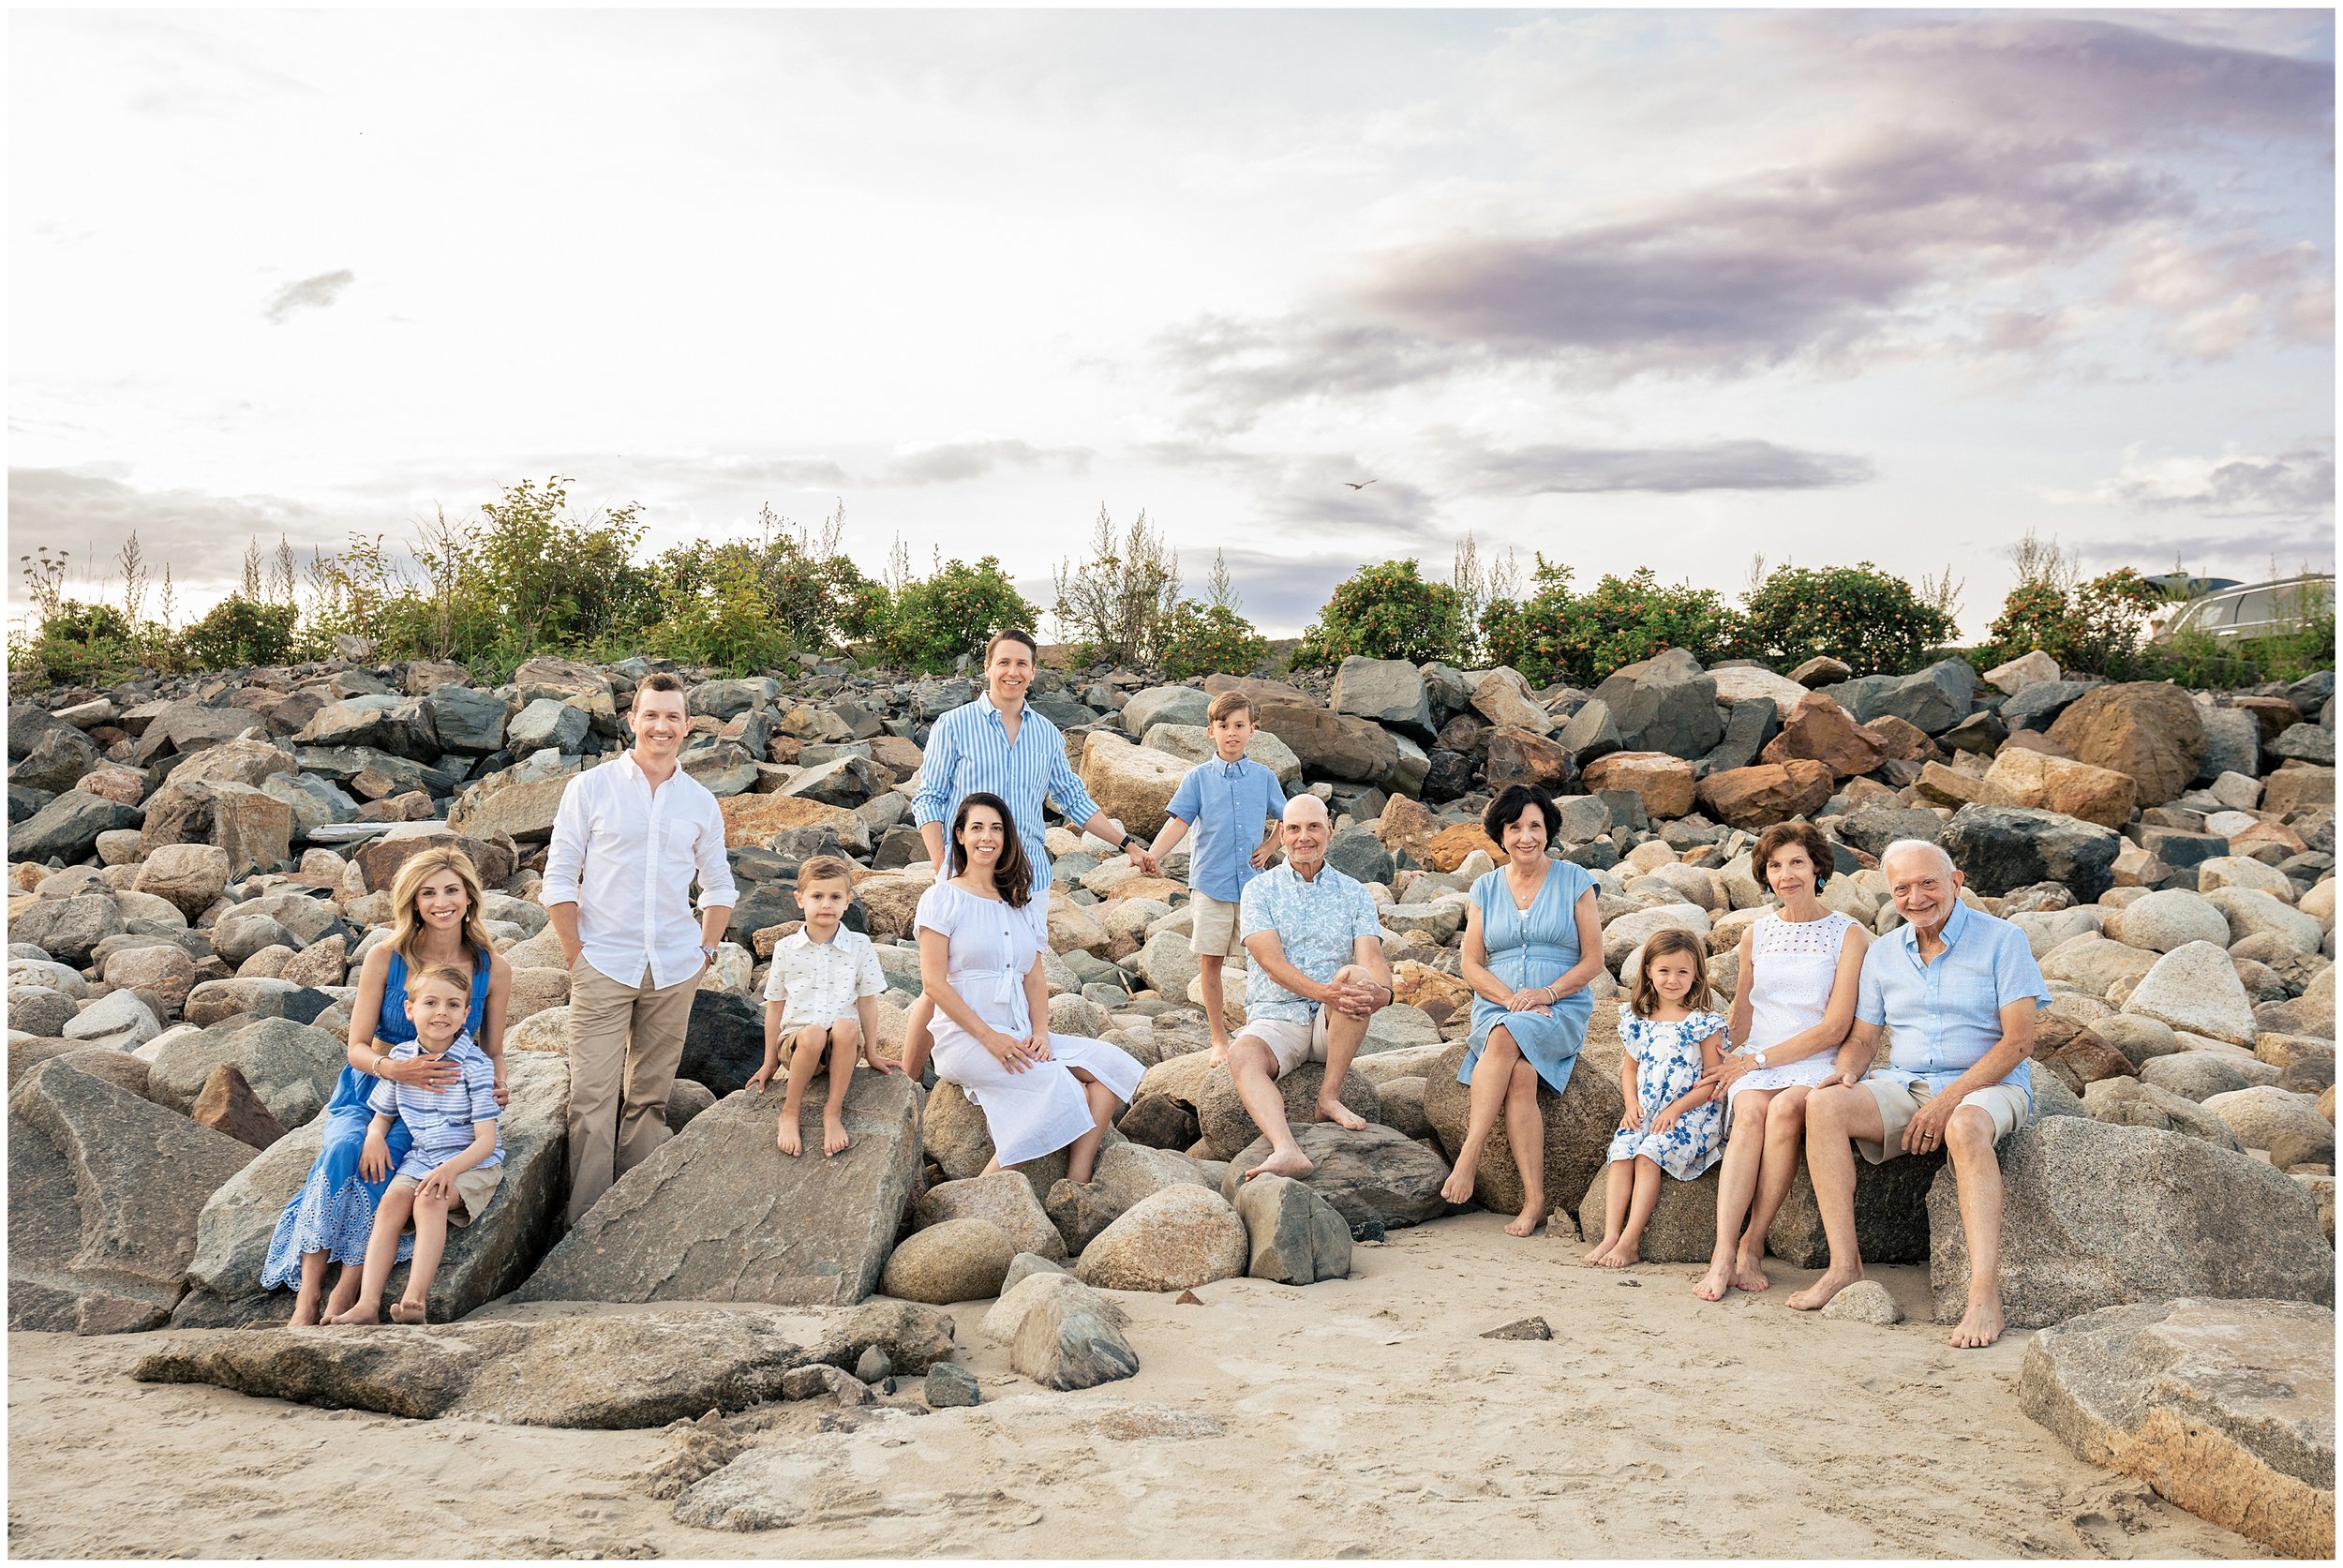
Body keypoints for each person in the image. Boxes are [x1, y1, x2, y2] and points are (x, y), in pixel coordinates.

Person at [1788, 839, 2050, 1348]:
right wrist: (1845, 1073)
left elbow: (2018, 1041)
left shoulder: (2004, 940)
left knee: (1965, 1125)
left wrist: (1946, 1102)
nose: (1916, 897)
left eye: (1928, 882)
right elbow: (1864, 1039)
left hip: (1988, 1083)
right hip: (1905, 1081)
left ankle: (1983, 1295)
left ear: (1956, 881)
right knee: (1823, 1104)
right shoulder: (1883, 953)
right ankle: (1845, 1267)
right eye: (1902, 888)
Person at [263, 846, 511, 1326]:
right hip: (374, 1084)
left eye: (452, 891)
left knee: (386, 1174)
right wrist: (392, 1070)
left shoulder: (492, 968)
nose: (442, 902)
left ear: (469, 898)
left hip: (438, 1098)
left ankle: (349, 1298)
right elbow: (355, 1046)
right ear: (413, 901)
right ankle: (308, 1297)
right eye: (428, 893)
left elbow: (493, 1048)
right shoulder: (385, 956)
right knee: (345, 1150)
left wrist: (497, 1083)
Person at [903, 629, 1157, 1071]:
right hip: (966, 872)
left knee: (1019, 970)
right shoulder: (954, 725)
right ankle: (907, 1081)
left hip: (1028, 877)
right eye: (1004, 662)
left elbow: (1073, 799)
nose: (1012, 672)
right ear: (988, 667)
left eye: (1022, 664)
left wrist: (1127, 844)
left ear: (1034, 672)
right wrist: (944, 865)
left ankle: (1018, 1063)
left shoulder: (1045, 735)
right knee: (941, 981)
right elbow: (928, 798)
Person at [543, 670, 737, 1226]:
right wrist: (575, 955)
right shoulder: (591, 789)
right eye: (651, 715)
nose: (661, 725)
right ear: (632, 721)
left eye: (672, 716)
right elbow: (559, 878)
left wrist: (705, 949)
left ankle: (632, 1219)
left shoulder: (700, 802)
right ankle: (583, 1225)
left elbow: (719, 885)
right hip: (602, 962)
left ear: (688, 726)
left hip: (675, 966)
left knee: (649, 1100)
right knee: (592, 1102)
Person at [901, 793, 1143, 1181]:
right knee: (1063, 1092)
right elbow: (933, 984)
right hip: (966, 1037)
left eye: (996, 829)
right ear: (959, 835)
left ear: (1007, 837)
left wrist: (1041, 1033)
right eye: (977, 828)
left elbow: (1033, 976)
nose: (987, 837)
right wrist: (990, 1039)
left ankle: (1076, 1183)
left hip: (1017, 1029)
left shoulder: (1018, 901)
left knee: (1108, 1066)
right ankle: (982, 1191)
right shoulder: (942, 897)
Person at [1693, 820, 1868, 1301]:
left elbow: (1835, 1027)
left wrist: (1756, 1062)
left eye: (1796, 862)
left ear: (1818, 867)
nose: (1786, 874)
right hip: (1758, 1054)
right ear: (1765, 873)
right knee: (1749, 1114)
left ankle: (1754, 1243)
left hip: (1818, 1056)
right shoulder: (1757, 933)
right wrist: (1729, 1056)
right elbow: (1745, 1006)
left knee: (1787, 1110)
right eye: (1774, 865)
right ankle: (1723, 1255)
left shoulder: (1848, 934)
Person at [1437, 783, 1604, 1236]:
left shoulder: (1575, 881)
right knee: (1522, 1073)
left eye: (1535, 825)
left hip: (1559, 1006)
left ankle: (1468, 1157)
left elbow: (1593, 960)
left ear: (1548, 829)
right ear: (1502, 834)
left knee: (1508, 1036)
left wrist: (1546, 994)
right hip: (1498, 1005)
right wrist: (1508, 998)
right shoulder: (1485, 888)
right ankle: (1535, 1201)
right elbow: (1471, 965)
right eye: (1515, 827)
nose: (1526, 836)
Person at [1226, 793, 1393, 1181]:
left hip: (1331, 1025)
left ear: (1330, 831)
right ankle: (1286, 1149)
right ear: (1281, 834)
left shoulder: (1354, 893)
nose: (1305, 836)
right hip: (1276, 1018)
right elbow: (1271, 962)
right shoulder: (1259, 890)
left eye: (1314, 826)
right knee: (1242, 1055)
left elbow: (1371, 959)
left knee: (1356, 976)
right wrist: (1323, 991)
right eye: (1295, 828)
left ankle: (1328, 1096)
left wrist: (1382, 994)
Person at [327, 963, 505, 1325]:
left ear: (467, 1015)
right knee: (392, 1202)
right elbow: (384, 1114)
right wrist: (374, 1136)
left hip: (470, 1164)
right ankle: (366, 1304)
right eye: (431, 1003)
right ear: (410, 1010)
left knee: (429, 1200)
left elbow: (486, 1140)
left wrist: (449, 1170)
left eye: (454, 1005)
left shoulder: (476, 1066)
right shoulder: (401, 1059)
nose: (442, 1012)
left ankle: (414, 1301)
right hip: (421, 1158)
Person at [1145, 690, 1285, 1059]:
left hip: (1253, 887)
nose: (1232, 733)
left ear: (1252, 730)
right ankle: (1219, 1039)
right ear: (1211, 732)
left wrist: (1270, 848)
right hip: (1210, 884)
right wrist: (1152, 855)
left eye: (1239, 725)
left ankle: (1261, 1031)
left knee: (1264, 961)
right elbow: (1178, 823)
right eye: (1224, 726)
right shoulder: (1198, 778)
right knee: (1211, 962)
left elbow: (1288, 818)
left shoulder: (1264, 777)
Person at [1586, 928, 1728, 1268]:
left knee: (1649, 1152)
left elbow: (1713, 1080)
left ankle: (1631, 1240)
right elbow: (1629, 1070)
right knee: (1621, 1151)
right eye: (1664, 971)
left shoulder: (1704, 1024)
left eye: (1683, 971)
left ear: (1696, 974)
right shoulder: (1639, 1020)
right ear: (1648, 970)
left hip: (1690, 1114)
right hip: (1647, 1110)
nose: (1673, 980)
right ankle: (1610, 1235)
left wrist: (1678, 1108)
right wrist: (1631, 1104)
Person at [750, 854, 900, 1157]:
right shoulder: (785, 949)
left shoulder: (859, 946)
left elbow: (867, 1002)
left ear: (848, 901)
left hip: (841, 1049)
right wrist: (769, 1062)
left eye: (835, 896)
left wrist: (871, 1052)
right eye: (817, 896)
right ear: (800, 899)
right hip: (797, 1043)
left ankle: (832, 1112)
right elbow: (775, 1007)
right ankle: (790, 1112)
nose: (826, 904)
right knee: (814, 1034)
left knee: (846, 1026)